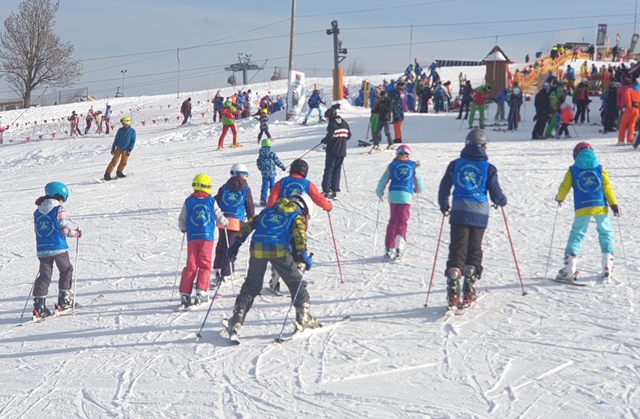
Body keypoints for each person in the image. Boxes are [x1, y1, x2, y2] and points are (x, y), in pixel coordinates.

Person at [223, 193, 319, 339]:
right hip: (279, 250)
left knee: (251, 285)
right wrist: (304, 257)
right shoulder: (296, 216)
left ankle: (237, 317)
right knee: (295, 283)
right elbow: (300, 236)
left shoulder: (267, 211)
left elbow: (249, 225)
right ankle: (303, 317)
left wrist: (236, 243)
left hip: (257, 247)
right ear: (304, 209)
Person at [437, 128, 507, 309]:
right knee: (475, 248)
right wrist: (501, 200)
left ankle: (454, 278)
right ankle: (469, 283)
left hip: (459, 210)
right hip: (479, 213)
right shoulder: (489, 168)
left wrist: (444, 203)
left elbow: (445, 185)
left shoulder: (455, 164)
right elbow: (495, 191)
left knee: (458, 247)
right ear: (484, 147)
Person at [555, 142, 620, 281]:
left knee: (577, 234)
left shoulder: (573, 170)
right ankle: (607, 265)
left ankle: (569, 268)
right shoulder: (600, 169)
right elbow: (607, 187)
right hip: (600, 205)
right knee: (606, 232)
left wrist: (560, 198)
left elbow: (565, 186)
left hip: (582, 206)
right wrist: (613, 204)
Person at [177, 174, 229, 308]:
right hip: (207, 237)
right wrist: (225, 222)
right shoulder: (211, 201)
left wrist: (183, 228)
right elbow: (218, 215)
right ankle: (201, 291)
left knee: (191, 264)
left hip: (192, 238)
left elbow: (183, 218)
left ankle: (185, 293)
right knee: (205, 264)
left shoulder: (189, 201)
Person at [32, 182, 82, 318]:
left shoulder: (37, 211)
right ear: (61, 196)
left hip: (42, 248)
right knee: (66, 270)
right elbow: (64, 230)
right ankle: (64, 300)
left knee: (44, 276)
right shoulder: (59, 209)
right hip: (58, 247)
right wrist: (76, 233)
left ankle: (39, 307)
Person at [375, 145, 424, 259]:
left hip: (393, 195)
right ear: (408, 154)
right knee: (402, 221)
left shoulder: (392, 166)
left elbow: (383, 180)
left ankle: (389, 247)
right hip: (406, 195)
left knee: (393, 220)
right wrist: (418, 189)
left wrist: (379, 192)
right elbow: (418, 181)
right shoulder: (413, 166)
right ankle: (399, 247)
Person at [212, 165, 255, 285]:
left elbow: (215, 201)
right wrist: (251, 220)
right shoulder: (246, 189)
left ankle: (217, 268)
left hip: (223, 220)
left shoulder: (224, 187)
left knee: (221, 244)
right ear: (242, 175)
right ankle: (226, 273)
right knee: (230, 247)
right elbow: (249, 205)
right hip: (236, 222)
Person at [321, 109, 351, 198]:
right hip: (342, 151)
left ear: (330, 116)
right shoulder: (344, 123)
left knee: (329, 170)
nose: (327, 119)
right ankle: (335, 190)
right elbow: (348, 135)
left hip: (332, 151)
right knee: (337, 170)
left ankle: (326, 191)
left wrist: (324, 140)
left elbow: (330, 137)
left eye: (327, 117)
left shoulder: (332, 124)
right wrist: (341, 140)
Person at [256, 138, 286, 205]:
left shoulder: (261, 154)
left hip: (264, 173)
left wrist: (261, 169)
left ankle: (263, 200)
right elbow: (277, 161)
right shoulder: (272, 153)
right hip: (272, 173)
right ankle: (273, 200)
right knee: (272, 186)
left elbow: (258, 163)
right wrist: (282, 166)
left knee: (265, 186)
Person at [618, 78, 640, 145]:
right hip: (637, 109)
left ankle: (621, 140)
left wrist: (630, 106)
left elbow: (628, 98)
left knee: (623, 125)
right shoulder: (639, 91)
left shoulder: (629, 90)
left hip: (629, 109)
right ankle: (630, 140)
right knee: (632, 125)